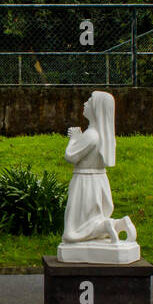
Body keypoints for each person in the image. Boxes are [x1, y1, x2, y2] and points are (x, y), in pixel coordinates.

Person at [61, 91, 135, 244]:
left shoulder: (91, 135)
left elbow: (70, 156)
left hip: (84, 182)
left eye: (89, 101)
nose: (85, 104)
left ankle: (105, 226)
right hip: (100, 181)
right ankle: (116, 224)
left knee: (73, 231)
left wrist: (74, 139)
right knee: (91, 217)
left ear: (96, 108)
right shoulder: (103, 136)